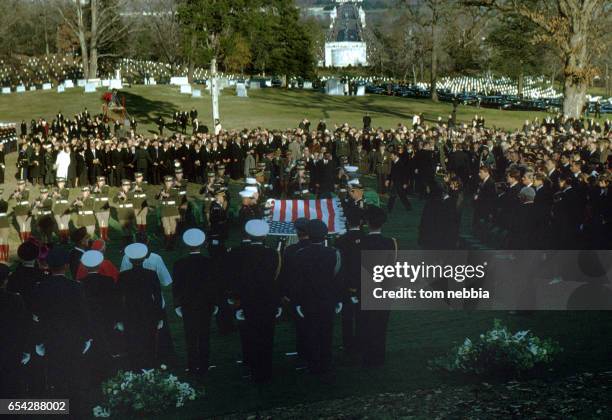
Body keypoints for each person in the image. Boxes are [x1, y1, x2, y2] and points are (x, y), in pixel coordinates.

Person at [31, 247, 92, 408]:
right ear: (66, 266)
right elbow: (83, 314)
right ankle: (76, 407)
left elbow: (36, 317)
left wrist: (38, 340)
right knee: (75, 374)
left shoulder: (40, 287)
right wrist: (87, 337)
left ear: (49, 266)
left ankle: (60, 406)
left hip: (51, 337)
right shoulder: (76, 287)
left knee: (56, 375)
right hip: (73, 337)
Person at [227, 220, 281, 383]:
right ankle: (265, 371)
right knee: (267, 336)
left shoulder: (236, 253)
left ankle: (250, 366)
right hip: (267, 301)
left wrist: (235, 300)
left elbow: (234, 279)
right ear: (265, 236)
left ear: (248, 235)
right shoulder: (272, 253)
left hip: (245, 301)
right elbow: (275, 280)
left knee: (248, 335)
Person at [292, 219, 343, 376]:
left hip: (308, 299)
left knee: (311, 332)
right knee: (326, 332)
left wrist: (298, 301)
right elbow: (336, 277)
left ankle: (313, 364)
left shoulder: (300, 254)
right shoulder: (333, 253)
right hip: (327, 298)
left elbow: (299, 280)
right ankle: (326, 364)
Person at [173, 229, 219, 375]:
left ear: (187, 245)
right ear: (202, 244)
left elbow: (177, 287)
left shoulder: (179, 264)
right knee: (204, 335)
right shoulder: (209, 262)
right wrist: (215, 303)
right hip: (205, 304)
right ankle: (204, 366)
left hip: (188, 304)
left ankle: (192, 366)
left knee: (190, 336)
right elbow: (213, 285)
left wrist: (177, 304)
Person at [359, 206, 397, 367]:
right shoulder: (390, 242)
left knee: (366, 324)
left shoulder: (362, 242)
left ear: (367, 222)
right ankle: (378, 357)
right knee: (381, 325)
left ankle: (368, 357)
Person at [118, 243, 164, 370]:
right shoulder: (151, 274)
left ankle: (136, 367)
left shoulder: (123, 276)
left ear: (130, 260)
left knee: (133, 341)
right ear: (144, 259)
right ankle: (149, 366)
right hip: (148, 312)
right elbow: (158, 297)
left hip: (130, 312)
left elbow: (119, 299)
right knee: (149, 341)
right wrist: (159, 316)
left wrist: (120, 318)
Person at [79, 250, 122, 380]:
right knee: (107, 342)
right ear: (100, 264)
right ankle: (109, 371)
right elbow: (115, 301)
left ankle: (95, 372)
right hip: (107, 318)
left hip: (90, 319)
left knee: (94, 345)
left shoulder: (81, 283)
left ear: (85, 267)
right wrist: (117, 318)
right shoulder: (108, 281)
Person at [279, 218, 311, 364]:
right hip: (315, 293)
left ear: (297, 232)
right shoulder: (324, 250)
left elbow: (285, 273)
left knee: (299, 325)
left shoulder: (291, 250)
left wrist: (285, 293)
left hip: (296, 293)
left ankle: (302, 352)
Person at [334, 208, 365, 357]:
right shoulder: (366, 238)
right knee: (362, 316)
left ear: (347, 221)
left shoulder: (341, 240)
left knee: (347, 318)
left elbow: (339, 266)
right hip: (363, 282)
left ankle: (348, 346)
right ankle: (361, 342)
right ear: (361, 222)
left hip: (346, 284)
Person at [0, 263, 32, 397]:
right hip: (11, 350)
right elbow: (24, 327)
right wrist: (26, 349)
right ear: (6, 280)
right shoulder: (15, 300)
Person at [7, 241, 45, 311]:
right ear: (37, 255)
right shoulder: (42, 276)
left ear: (20, 255)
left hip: (18, 311)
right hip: (37, 310)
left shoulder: (14, 276)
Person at [157, 175, 180, 249]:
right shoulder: (162, 189)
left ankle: (173, 244)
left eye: (169, 181)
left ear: (172, 182)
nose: (168, 183)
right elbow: (157, 198)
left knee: (173, 229)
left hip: (173, 212)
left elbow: (168, 195)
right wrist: (160, 194)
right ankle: (167, 245)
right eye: (166, 181)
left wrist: (164, 194)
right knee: (166, 228)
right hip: (164, 212)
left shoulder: (174, 190)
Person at [114, 179, 136, 245]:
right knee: (124, 231)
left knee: (130, 230)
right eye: (123, 185)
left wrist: (125, 197)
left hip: (129, 215)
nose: (125, 186)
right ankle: (124, 245)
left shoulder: (132, 193)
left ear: (129, 186)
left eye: (126, 185)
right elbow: (114, 200)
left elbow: (131, 199)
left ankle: (131, 244)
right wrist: (119, 196)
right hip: (121, 215)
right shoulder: (119, 193)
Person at [52, 178, 71, 243]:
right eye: (58, 183)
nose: (59, 184)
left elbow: (62, 195)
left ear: (64, 183)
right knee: (60, 225)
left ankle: (67, 239)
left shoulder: (66, 190)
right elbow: (52, 196)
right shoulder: (56, 190)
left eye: (61, 182)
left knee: (65, 225)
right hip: (57, 210)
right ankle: (62, 239)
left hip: (64, 210)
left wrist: (56, 194)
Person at [93, 176, 111, 241]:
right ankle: (102, 236)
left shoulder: (106, 187)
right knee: (101, 223)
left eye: (102, 181)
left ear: (104, 181)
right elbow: (93, 191)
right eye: (99, 181)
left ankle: (105, 236)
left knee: (105, 222)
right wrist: (96, 188)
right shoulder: (95, 187)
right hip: (98, 209)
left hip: (105, 208)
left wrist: (98, 189)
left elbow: (104, 191)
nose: (101, 182)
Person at [0, 189, 10, 261]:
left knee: (2, 239)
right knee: (3, 240)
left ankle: (4, 256)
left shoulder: (4, 202)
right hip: (4, 221)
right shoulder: (5, 202)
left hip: (3, 220)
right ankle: (4, 256)